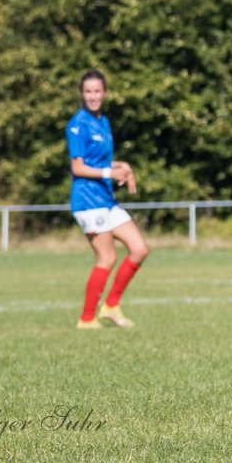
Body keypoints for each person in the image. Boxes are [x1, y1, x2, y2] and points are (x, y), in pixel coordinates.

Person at [66, 68, 149, 329]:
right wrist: (110, 172)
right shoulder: (77, 124)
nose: (93, 96)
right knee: (107, 259)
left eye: (97, 91)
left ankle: (111, 306)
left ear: (104, 93)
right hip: (88, 201)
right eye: (88, 91)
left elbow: (100, 161)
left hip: (105, 198)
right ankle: (87, 318)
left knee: (139, 249)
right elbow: (78, 168)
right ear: (82, 94)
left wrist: (121, 166)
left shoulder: (103, 121)